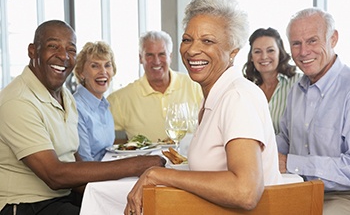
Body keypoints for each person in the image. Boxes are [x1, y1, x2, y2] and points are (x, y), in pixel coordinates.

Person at [124, 0, 283, 214]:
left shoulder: (237, 97)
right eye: (187, 39)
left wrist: (157, 173)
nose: (191, 51)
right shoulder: (214, 96)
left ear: (234, 51)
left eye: (207, 41)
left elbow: (245, 192)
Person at [0, 20, 165, 215]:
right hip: (28, 206)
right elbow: (55, 175)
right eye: (53, 46)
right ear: (33, 51)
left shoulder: (65, 96)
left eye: (71, 50)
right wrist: (135, 165)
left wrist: (114, 191)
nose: (63, 56)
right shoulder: (17, 100)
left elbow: (76, 162)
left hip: (65, 196)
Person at [277, 8, 350, 215]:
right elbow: (285, 140)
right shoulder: (296, 90)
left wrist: (291, 163)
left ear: (333, 38)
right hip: (296, 189)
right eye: (296, 44)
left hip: (341, 196)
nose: (303, 52)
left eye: (312, 41)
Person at [107, 30, 203, 143]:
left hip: (190, 160)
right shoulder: (119, 99)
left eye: (162, 54)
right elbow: (103, 140)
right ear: (140, 58)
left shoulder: (195, 86)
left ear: (170, 56)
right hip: (144, 160)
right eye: (149, 55)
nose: (156, 61)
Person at [242, 28, 302, 134]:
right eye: (257, 52)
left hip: (289, 150)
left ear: (280, 53)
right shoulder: (247, 90)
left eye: (270, 50)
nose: (264, 57)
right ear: (251, 57)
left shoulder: (299, 83)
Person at [73, 41, 116, 161]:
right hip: (92, 178)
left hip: (106, 174)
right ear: (81, 73)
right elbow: (85, 163)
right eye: (94, 66)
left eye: (107, 65)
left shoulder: (104, 106)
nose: (103, 71)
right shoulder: (76, 108)